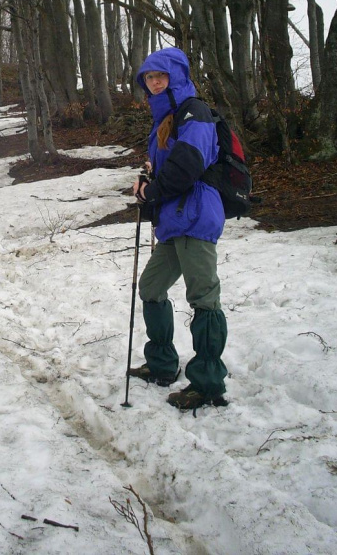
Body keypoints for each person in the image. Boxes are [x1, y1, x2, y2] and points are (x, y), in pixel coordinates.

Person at [129, 47, 229, 411]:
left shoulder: (195, 113)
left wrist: (152, 190)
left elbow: (189, 164)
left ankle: (207, 383)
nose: (154, 83)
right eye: (149, 79)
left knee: (203, 298)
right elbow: (169, 167)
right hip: (175, 218)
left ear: (177, 77)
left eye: (161, 77)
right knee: (151, 287)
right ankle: (162, 365)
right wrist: (147, 180)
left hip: (197, 215)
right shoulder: (166, 118)